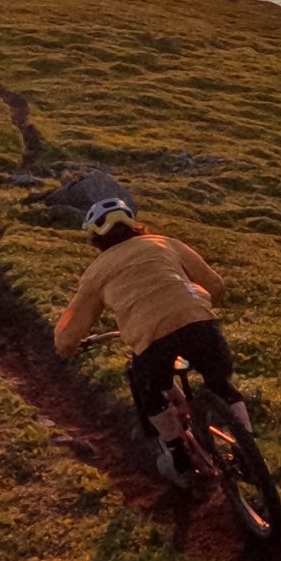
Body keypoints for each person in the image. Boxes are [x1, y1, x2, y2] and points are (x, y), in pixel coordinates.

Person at [53, 196, 247, 487]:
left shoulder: (96, 273)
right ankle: (248, 449)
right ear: (134, 224)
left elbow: (70, 330)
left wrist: (67, 348)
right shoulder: (164, 242)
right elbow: (215, 285)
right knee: (221, 386)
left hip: (152, 337)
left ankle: (179, 460)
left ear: (95, 238)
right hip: (199, 321)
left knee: (149, 390)